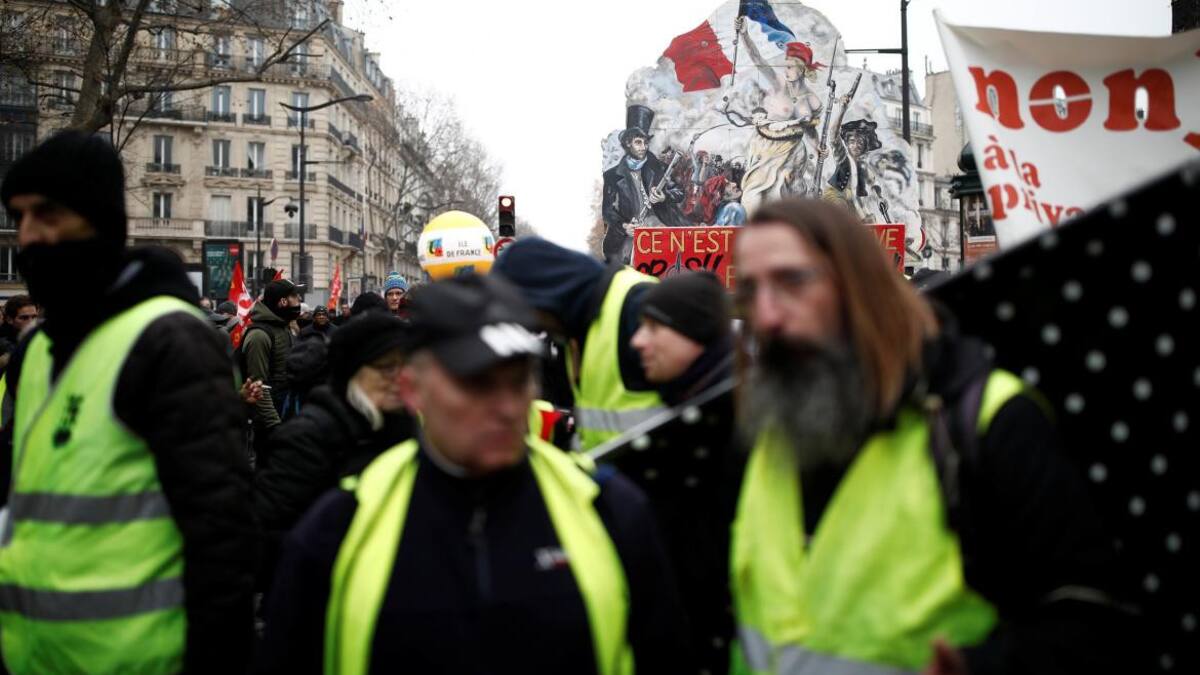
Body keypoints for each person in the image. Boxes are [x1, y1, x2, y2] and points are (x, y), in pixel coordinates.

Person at [730, 199, 1134, 675]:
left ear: (861, 285)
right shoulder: (763, 434)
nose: (768, 316)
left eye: (793, 282)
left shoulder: (989, 421)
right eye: (749, 292)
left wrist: (982, 667)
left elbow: (1094, 620)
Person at [258, 274, 689, 674]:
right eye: (477, 383)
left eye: (519, 380)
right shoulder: (339, 528)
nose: (506, 407)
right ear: (412, 390)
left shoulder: (610, 510)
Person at [0, 130, 255, 673]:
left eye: (48, 214)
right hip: (32, 655)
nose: (28, 236)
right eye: (18, 218)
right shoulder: (38, 349)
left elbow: (221, 537)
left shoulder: (170, 341)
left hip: (140, 658)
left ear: (96, 220)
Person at [625, 271, 742, 675]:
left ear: (696, 335)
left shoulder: (736, 432)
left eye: (654, 327)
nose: (637, 341)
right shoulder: (693, 418)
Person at [255, 311, 413, 585]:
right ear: (353, 372)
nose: (399, 379)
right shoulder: (307, 437)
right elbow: (266, 535)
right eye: (387, 368)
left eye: (407, 367)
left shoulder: (409, 429)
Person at [493, 237, 665, 451]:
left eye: (529, 317)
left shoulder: (636, 303)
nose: (534, 328)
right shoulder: (574, 329)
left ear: (544, 296)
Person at [734, 16, 825, 213]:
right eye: (785, 65)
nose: (786, 70)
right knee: (752, 198)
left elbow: (810, 131)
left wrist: (818, 147)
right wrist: (744, 35)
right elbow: (758, 60)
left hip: (791, 152)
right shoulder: (777, 83)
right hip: (765, 146)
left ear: (802, 69)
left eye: (790, 66)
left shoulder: (812, 100)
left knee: (780, 198)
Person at [601, 105, 689, 263]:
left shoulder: (659, 167)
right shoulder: (612, 176)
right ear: (628, 144)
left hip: (660, 227)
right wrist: (625, 226)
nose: (644, 147)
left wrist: (664, 197)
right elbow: (608, 211)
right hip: (630, 233)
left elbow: (680, 192)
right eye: (638, 142)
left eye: (646, 142)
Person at [244, 278, 303, 445]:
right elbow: (258, 385)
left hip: (286, 415)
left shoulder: (284, 328)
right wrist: (275, 427)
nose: (298, 301)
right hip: (271, 426)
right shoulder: (260, 335)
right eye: (294, 296)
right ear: (283, 301)